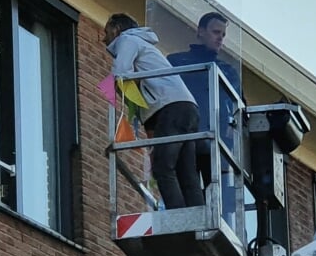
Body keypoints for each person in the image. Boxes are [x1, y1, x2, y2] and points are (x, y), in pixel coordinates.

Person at [104, 13, 203, 210]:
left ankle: (179, 220)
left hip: (170, 108)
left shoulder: (128, 39)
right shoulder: (147, 48)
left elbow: (120, 75)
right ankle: (197, 217)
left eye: (106, 32)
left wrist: (113, 90)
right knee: (186, 172)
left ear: (116, 29)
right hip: (187, 108)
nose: (104, 39)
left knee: (162, 167)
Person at [168, 12, 243, 219]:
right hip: (185, 137)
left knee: (217, 193)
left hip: (216, 142)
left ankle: (220, 222)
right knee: (186, 186)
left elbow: (240, 109)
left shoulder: (228, 71)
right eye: (216, 32)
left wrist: (232, 129)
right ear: (200, 32)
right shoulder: (176, 62)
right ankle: (186, 220)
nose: (220, 38)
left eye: (223, 34)